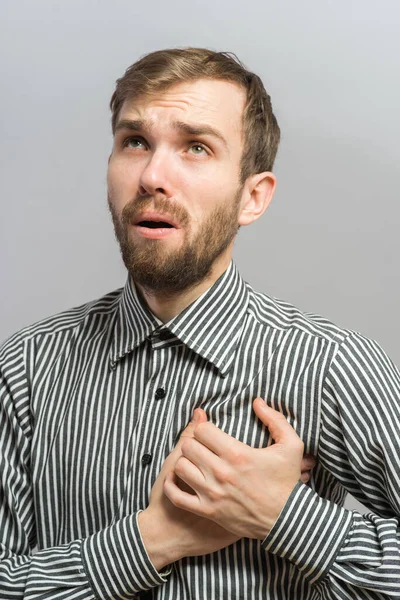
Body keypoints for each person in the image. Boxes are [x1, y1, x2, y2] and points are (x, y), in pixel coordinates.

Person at [0, 47, 399, 600]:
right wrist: (150, 542)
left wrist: (285, 516)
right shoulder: (24, 368)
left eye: (196, 147)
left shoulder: (334, 367)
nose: (152, 175)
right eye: (134, 141)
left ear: (252, 197)